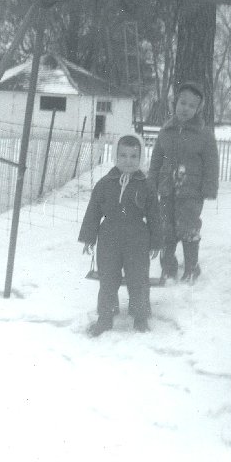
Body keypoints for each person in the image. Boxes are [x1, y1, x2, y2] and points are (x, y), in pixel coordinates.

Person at [78, 134, 161, 336]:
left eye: (133, 156)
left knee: (138, 278)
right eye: (123, 155)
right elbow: (93, 211)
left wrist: (156, 242)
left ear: (140, 158)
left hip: (137, 239)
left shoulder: (146, 185)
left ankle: (140, 316)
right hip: (109, 238)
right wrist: (89, 238)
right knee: (108, 279)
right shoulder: (105, 183)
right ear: (116, 156)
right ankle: (106, 317)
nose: (128, 160)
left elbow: (155, 215)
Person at [148, 82, 219, 283]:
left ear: (197, 110)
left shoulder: (204, 134)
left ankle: (191, 268)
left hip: (191, 192)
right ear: (175, 103)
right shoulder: (166, 130)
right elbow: (156, 159)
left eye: (191, 105)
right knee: (165, 229)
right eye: (182, 103)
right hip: (167, 189)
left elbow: (211, 163)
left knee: (189, 228)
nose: (185, 108)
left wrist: (209, 187)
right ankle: (168, 268)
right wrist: (151, 182)